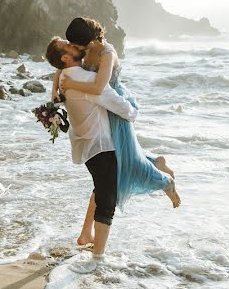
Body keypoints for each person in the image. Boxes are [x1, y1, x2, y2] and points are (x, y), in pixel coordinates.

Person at [55, 17, 179, 219]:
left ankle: (166, 183)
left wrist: (70, 85)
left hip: (115, 108)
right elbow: (61, 67)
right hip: (100, 108)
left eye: (75, 44)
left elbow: (98, 88)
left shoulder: (107, 54)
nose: (72, 47)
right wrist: (55, 92)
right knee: (120, 160)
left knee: (128, 162)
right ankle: (157, 161)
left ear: (88, 41)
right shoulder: (84, 48)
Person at [45, 37, 140, 273]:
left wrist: (56, 78)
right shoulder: (87, 79)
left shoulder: (66, 77)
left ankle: (86, 235)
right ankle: (97, 258)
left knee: (101, 188)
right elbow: (121, 108)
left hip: (85, 145)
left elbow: (59, 82)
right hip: (102, 145)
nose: (73, 43)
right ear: (65, 58)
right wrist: (133, 110)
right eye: (67, 45)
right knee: (107, 199)